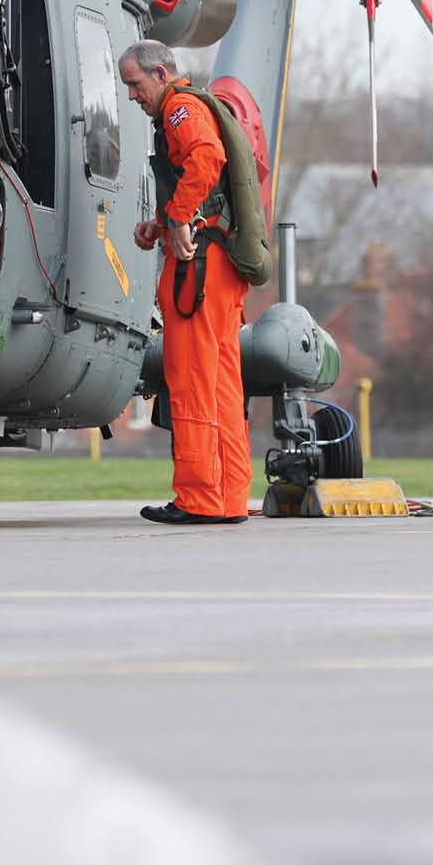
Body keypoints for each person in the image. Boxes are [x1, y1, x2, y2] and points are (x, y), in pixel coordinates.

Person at [119, 40, 252, 524]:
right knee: (221, 385)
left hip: (200, 268)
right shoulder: (188, 107)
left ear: (160, 73)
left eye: (135, 84)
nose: (133, 96)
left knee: (191, 378)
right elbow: (203, 184)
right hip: (221, 264)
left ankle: (198, 498)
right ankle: (230, 497)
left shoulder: (179, 110)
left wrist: (176, 220)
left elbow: (206, 158)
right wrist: (160, 223)